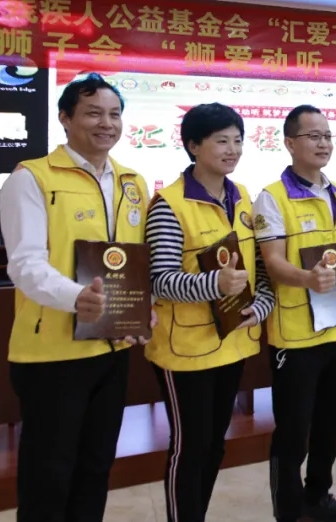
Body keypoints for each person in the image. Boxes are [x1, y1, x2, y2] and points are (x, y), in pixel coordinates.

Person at [0, 73, 154, 522]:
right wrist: (75, 297)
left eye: (114, 114)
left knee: (95, 467)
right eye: (93, 113)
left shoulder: (132, 182)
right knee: (48, 475)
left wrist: (143, 308)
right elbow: (25, 264)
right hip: (51, 353)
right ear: (65, 118)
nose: (107, 123)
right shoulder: (31, 178)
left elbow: (134, 260)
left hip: (112, 348)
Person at [145, 103, 276, 522]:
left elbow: (259, 269)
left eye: (238, 140)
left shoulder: (244, 198)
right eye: (221, 140)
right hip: (185, 351)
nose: (232, 149)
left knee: (215, 445)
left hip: (233, 343)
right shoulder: (169, 204)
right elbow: (159, 280)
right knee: (190, 448)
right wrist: (214, 284)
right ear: (193, 145)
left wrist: (261, 306)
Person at [252, 105, 336, 522]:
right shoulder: (271, 197)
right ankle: (288, 510)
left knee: (331, 424)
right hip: (297, 337)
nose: (323, 144)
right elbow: (272, 263)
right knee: (293, 431)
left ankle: (318, 497)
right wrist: (308, 279)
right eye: (313, 136)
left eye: (328, 136)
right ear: (289, 143)